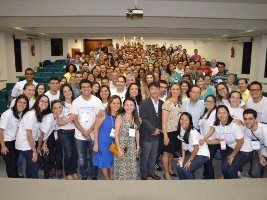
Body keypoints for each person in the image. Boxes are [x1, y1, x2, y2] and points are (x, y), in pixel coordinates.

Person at [72, 79, 104, 180]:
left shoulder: (97, 101)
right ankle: (84, 175)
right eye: (83, 87)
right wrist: (84, 133)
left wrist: (89, 132)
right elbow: (74, 120)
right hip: (79, 135)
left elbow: (99, 118)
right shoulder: (76, 102)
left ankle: (94, 175)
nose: (86, 89)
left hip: (93, 134)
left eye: (88, 87)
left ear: (91, 88)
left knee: (94, 156)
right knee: (82, 157)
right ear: (80, 89)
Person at [15, 94, 51, 178]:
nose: (44, 103)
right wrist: (34, 151)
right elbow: (29, 135)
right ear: (37, 101)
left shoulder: (39, 114)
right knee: (34, 163)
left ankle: (30, 181)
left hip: (30, 144)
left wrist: (38, 148)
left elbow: (39, 134)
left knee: (34, 164)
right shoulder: (31, 114)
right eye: (42, 101)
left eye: (46, 102)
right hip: (24, 144)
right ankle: (31, 183)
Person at [213, 105, 253, 179]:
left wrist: (232, 156)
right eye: (219, 113)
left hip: (245, 150)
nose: (222, 115)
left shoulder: (234, 125)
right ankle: (229, 183)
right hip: (234, 148)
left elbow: (241, 142)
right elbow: (221, 141)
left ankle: (235, 186)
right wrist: (205, 141)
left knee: (231, 170)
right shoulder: (217, 126)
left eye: (224, 113)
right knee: (224, 168)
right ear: (217, 115)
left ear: (228, 114)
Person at [93, 95, 122, 180]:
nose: (115, 105)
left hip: (114, 142)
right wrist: (96, 144)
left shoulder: (120, 116)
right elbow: (96, 128)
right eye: (113, 103)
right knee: (103, 161)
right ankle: (108, 179)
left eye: (118, 103)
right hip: (103, 143)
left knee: (113, 160)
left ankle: (112, 177)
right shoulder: (103, 114)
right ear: (109, 104)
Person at [0, 95, 29, 178]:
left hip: (15, 141)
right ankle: (13, 181)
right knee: (11, 164)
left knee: (15, 162)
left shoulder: (21, 114)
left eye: (24, 103)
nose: (22, 104)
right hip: (6, 142)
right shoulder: (7, 114)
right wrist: (3, 146)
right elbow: (1, 130)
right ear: (16, 103)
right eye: (20, 102)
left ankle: (16, 179)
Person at [139, 82, 163, 180]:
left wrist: (159, 130)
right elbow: (143, 118)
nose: (154, 91)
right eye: (152, 89)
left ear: (159, 90)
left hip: (157, 134)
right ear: (149, 91)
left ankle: (151, 172)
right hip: (147, 134)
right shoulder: (144, 103)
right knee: (145, 156)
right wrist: (153, 129)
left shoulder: (162, 103)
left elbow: (163, 119)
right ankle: (144, 175)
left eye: (156, 88)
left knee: (153, 155)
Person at [176, 112, 210, 179]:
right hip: (193, 152)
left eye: (186, 120)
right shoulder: (181, 129)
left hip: (202, 153)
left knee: (186, 170)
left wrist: (189, 161)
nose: (184, 122)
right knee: (179, 167)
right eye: (182, 119)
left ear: (190, 121)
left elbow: (196, 148)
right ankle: (182, 185)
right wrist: (182, 157)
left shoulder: (193, 132)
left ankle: (192, 187)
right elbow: (183, 144)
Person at [113, 97, 140, 180]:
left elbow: (137, 132)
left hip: (131, 146)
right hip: (121, 146)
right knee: (122, 170)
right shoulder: (120, 117)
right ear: (123, 106)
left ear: (134, 106)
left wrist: (138, 146)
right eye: (127, 105)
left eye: (131, 105)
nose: (129, 107)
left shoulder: (136, 117)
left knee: (132, 168)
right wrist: (119, 150)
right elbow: (116, 134)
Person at [57, 84, 78, 180]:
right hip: (64, 133)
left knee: (75, 153)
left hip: (75, 132)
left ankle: (74, 171)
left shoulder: (76, 103)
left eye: (69, 90)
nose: (67, 93)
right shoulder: (60, 105)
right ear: (62, 94)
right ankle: (68, 172)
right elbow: (59, 122)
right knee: (68, 153)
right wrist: (70, 119)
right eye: (64, 91)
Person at [162, 83, 183, 180]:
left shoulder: (179, 103)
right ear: (170, 90)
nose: (176, 91)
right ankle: (166, 172)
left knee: (171, 153)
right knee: (166, 153)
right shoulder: (167, 103)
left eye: (177, 89)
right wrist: (165, 136)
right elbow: (164, 121)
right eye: (173, 89)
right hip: (169, 132)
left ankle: (170, 168)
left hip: (176, 132)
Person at [39, 100, 65, 179]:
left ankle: (47, 175)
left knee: (47, 155)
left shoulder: (54, 117)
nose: (58, 110)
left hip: (42, 139)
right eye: (55, 108)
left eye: (60, 107)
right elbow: (41, 134)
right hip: (37, 140)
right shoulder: (49, 119)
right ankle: (46, 177)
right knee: (45, 155)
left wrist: (44, 144)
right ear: (52, 109)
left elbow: (48, 133)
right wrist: (41, 147)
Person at [198, 95, 219, 179]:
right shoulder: (206, 112)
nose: (209, 103)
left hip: (211, 142)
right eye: (207, 101)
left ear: (215, 103)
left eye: (211, 102)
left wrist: (203, 139)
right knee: (206, 161)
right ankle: (206, 177)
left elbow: (212, 129)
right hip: (206, 141)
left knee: (207, 160)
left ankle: (210, 178)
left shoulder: (214, 113)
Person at [243, 109, 267, 178]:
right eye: (245, 119)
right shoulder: (247, 129)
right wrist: (260, 156)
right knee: (254, 173)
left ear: (255, 119)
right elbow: (255, 143)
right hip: (262, 151)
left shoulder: (264, 129)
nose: (247, 121)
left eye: (250, 119)